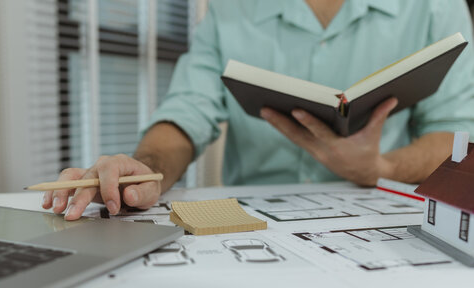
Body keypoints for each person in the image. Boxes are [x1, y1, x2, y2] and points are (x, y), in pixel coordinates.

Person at [43, 0, 474, 220]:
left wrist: (379, 166)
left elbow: (454, 134)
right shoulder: (231, 9)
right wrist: (144, 168)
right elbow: (187, 112)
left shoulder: (435, 6)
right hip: (252, 220)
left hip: (381, 222)